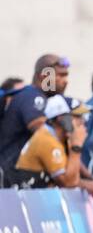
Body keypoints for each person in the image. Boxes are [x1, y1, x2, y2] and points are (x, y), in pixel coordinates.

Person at [11, 96, 93, 193]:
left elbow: (74, 174)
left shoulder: (58, 138)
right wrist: (76, 147)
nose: (83, 121)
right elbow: (69, 183)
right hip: (31, 202)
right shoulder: (47, 140)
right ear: (60, 118)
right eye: (77, 116)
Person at [0, 53, 69, 185]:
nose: (65, 80)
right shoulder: (33, 97)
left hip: (18, 175)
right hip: (11, 176)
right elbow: (43, 133)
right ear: (44, 76)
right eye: (60, 75)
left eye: (66, 75)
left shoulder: (39, 96)